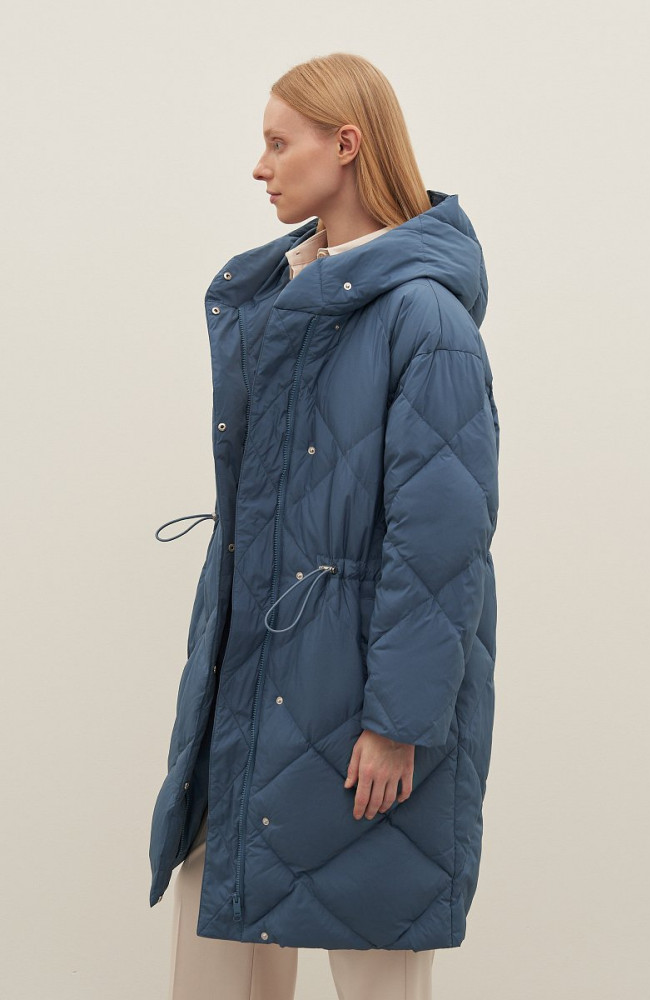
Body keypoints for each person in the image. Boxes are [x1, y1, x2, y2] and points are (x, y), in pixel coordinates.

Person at [150, 52, 500, 1000]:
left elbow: (442, 546)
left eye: (278, 143)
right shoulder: (282, 299)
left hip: (363, 708)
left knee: (375, 958)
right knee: (215, 937)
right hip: (253, 690)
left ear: (345, 145)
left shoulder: (426, 321)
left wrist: (399, 724)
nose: (259, 167)